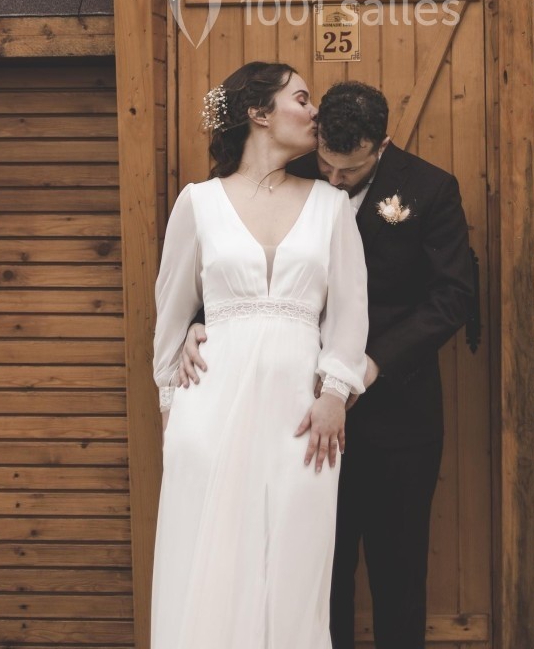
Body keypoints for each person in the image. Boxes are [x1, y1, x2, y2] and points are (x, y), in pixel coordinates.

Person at [179, 80, 474, 649]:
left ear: (382, 145)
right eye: (328, 167)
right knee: (315, 574)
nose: (334, 182)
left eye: (350, 172)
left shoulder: (432, 189)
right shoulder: (298, 178)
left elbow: (453, 297)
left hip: (399, 418)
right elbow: (239, 262)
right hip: (298, 415)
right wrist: (197, 320)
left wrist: (366, 368)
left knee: (399, 574)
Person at [151, 62, 369, 649]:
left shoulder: (331, 205)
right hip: (209, 410)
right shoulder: (197, 204)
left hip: (303, 420)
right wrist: (174, 414)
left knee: (295, 565)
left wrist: (334, 394)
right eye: (302, 98)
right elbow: (170, 316)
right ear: (259, 113)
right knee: (208, 560)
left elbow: (350, 313)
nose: (315, 111)